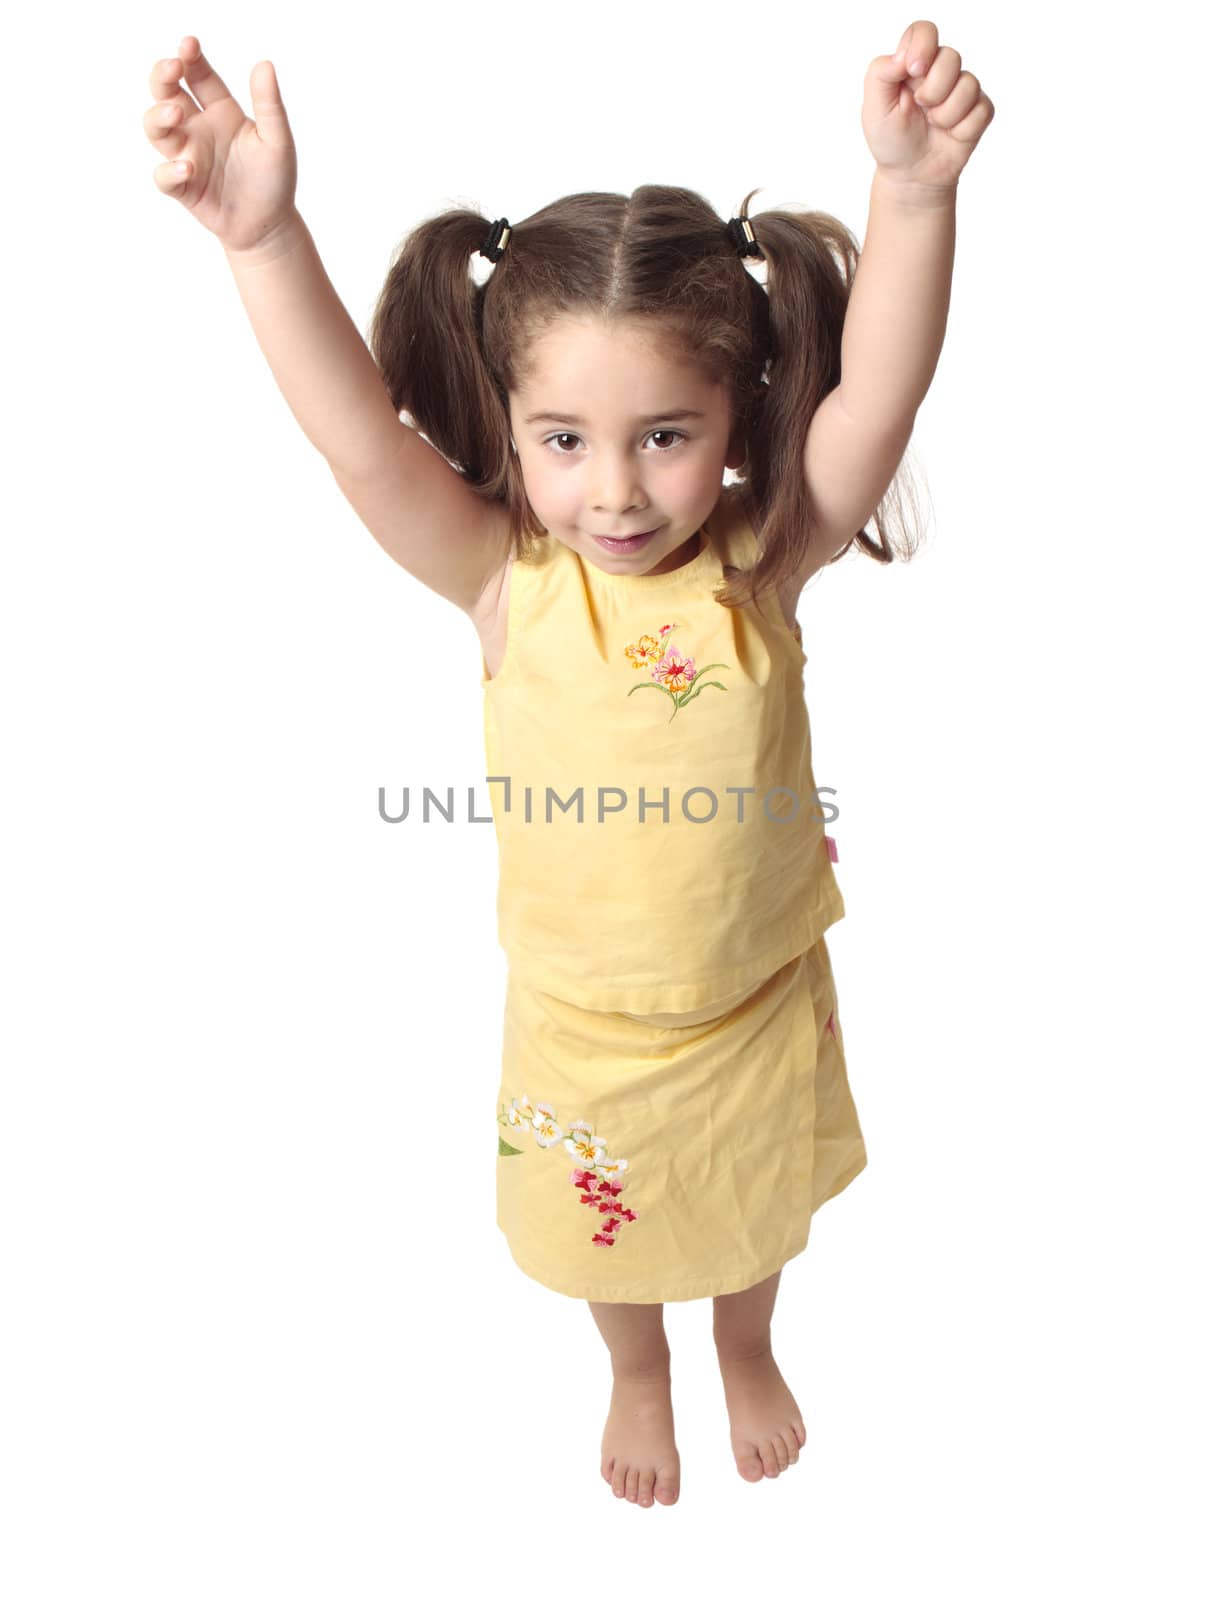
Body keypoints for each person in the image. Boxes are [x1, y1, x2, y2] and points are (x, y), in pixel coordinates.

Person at [142, 22, 993, 1509]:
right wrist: (263, 236)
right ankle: (636, 1368)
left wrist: (909, 195)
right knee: (606, 1234)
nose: (613, 489)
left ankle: (738, 1345)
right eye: (564, 440)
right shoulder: (501, 581)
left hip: (746, 999)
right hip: (582, 1023)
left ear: (735, 418)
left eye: (664, 435)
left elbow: (876, 401)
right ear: (509, 429)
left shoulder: (757, 564)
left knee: (750, 1217)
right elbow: (357, 442)